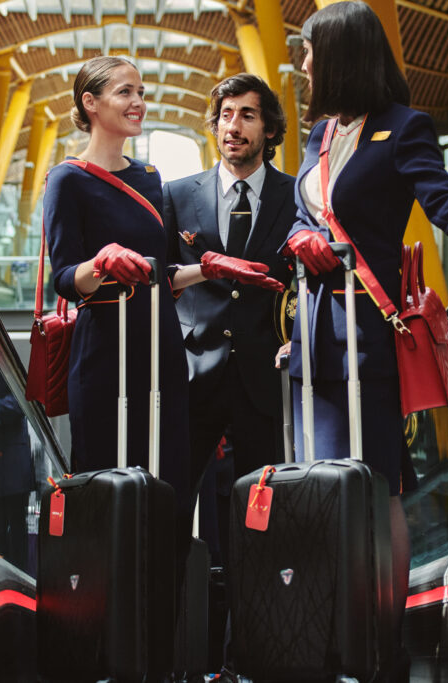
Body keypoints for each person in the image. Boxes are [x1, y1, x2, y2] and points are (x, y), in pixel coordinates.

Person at [287, 0, 448, 669]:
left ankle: (383, 624)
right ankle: (335, 617)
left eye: (310, 53)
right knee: (326, 482)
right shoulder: (322, 135)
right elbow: (292, 214)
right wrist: (300, 236)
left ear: (341, 55)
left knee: (379, 483)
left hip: (370, 329)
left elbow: (443, 200)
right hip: (315, 335)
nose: (304, 66)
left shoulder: (404, 127)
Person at [43, 57, 282, 496]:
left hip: (162, 352)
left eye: (141, 93)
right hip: (105, 352)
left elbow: (158, 275)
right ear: (90, 103)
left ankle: (163, 569)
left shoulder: (150, 178)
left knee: (164, 487)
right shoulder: (66, 180)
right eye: (125, 92)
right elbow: (63, 278)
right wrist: (101, 263)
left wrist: (207, 267)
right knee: (105, 488)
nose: (138, 103)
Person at [163, 73, 295, 562]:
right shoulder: (176, 195)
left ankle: (259, 627)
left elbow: (307, 281)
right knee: (173, 507)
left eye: (247, 115)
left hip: (266, 378)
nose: (232, 126)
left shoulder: (295, 195)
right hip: (194, 374)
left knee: (266, 513)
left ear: (270, 129)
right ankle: (174, 625)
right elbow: (161, 277)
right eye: (224, 115)